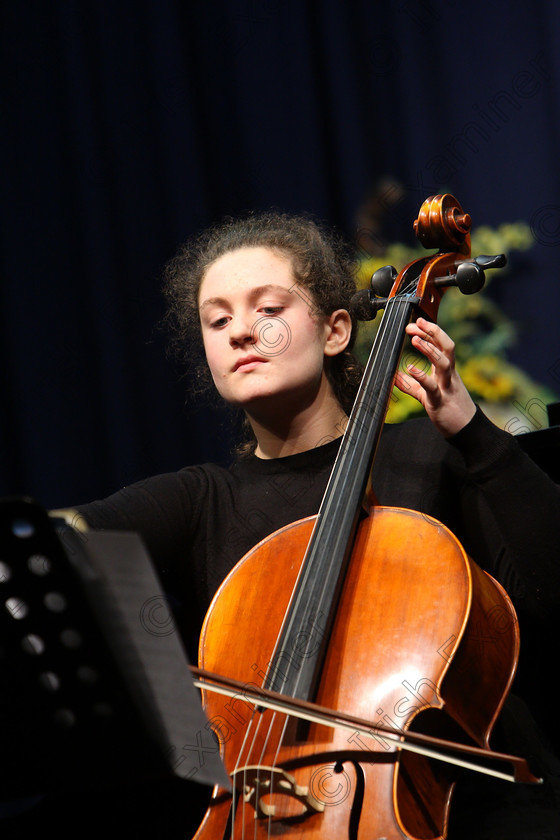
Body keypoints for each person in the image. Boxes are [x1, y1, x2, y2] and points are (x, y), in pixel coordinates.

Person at [6, 212, 560, 838]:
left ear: (336, 331)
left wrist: (475, 435)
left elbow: (551, 591)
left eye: (268, 309)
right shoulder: (202, 498)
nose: (241, 331)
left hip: (463, 811)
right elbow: (49, 544)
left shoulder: (430, 455)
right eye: (217, 321)